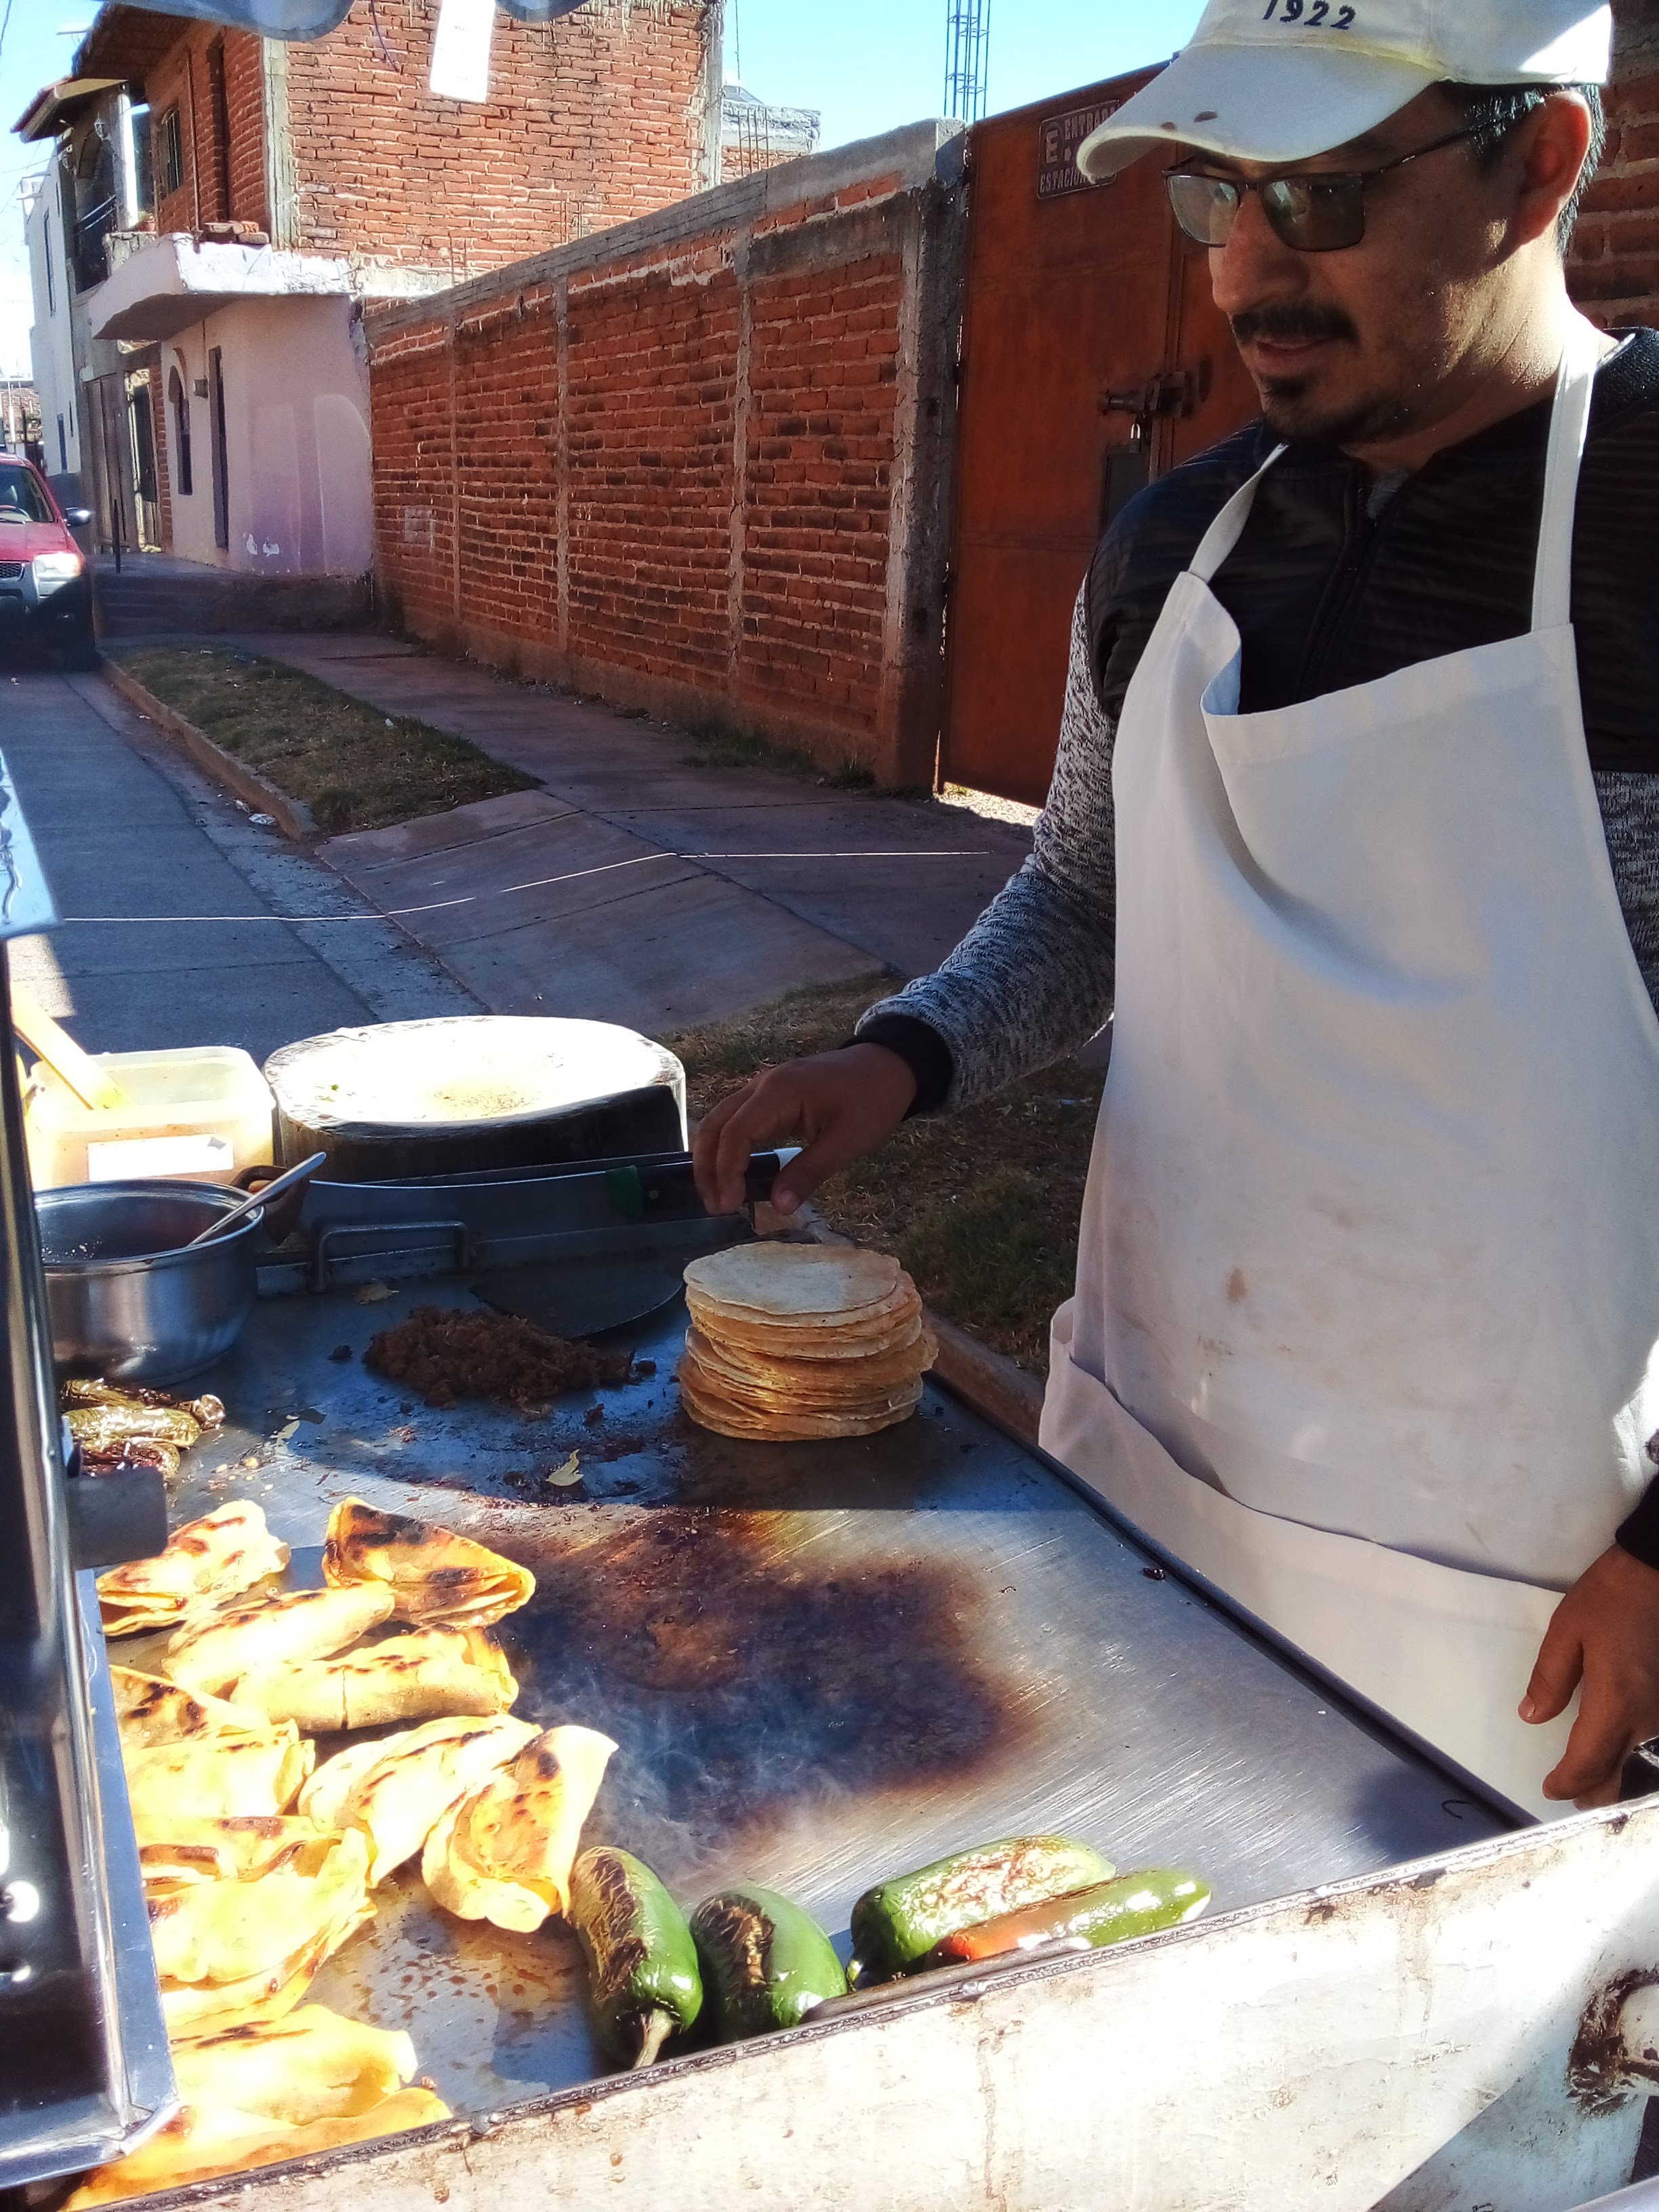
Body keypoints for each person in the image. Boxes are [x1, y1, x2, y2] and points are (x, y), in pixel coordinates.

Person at [693, 0, 1659, 1819]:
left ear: (1534, 164)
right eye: (1222, 194)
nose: (1250, 275)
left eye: (1322, 193)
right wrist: (901, 1058)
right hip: (1149, 1473)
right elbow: (1082, 895)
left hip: (1529, 1589)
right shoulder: (1170, 550)